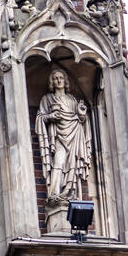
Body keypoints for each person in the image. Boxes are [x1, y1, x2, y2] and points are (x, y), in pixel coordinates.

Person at [34, 67, 91, 206]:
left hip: (75, 133)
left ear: (65, 81)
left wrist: (82, 113)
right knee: (58, 162)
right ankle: (54, 194)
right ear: (52, 82)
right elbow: (40, 117)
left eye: (60, 78)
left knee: (73, 164)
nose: (58, 81)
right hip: (59, 136)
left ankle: (71, 193)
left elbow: (81, 119)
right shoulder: (47, 99)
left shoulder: (72, 100)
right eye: (55, 79)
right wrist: (51, 116)